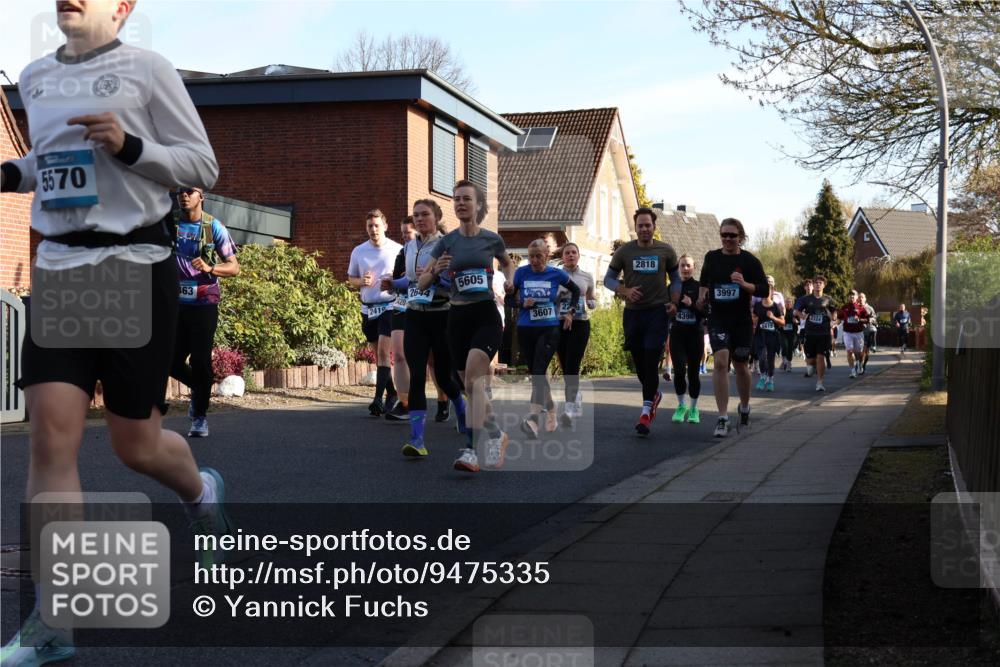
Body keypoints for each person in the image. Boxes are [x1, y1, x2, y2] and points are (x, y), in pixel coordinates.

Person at [0, 2, 233, 663]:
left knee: (136, 444)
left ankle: (200, 489)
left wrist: (129, 144)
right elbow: (47, 166)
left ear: (122, 7)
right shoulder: (35, 75)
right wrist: (4, 175)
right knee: (49, 435)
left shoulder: (149, 69)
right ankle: (54, 619)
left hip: (133, 263)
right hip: (65, 267)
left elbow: (200, 166)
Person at [421, 180, 514, 472]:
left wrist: (510, 279)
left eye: (466, 199)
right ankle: (498, 435)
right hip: (457, 318)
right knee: (469, 387)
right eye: (457, 199)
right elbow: (422, 281)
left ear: (478, 205)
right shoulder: (446, 242)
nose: (461, 203)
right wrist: (435, 271)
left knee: (473, 380)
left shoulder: (491, 239)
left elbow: (507, 263)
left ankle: (472, 451)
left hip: (485, 315)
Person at [386, 200, 468, 458]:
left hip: (442, 316)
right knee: (417, 375)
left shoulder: (448, 245)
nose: (420, 219)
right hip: (415, 316)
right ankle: (417, 440)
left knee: (444, 377)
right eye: (416, 215)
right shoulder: (409, 246)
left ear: (437, 217)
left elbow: (456, 283)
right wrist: (393, 283)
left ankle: (461, 407)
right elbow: (411, 281)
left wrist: (434, 276)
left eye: (425, 215)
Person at [604, 207, 680, 437]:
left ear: (654, 227)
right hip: (633, 314)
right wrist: (624, 290)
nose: (644, 229)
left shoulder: (665, 250)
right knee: (640, 365)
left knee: (649, 359)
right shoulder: (625, 252)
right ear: (635, 228)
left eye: (648, 225)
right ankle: (654, 395)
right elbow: (608, 279)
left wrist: (674, 302)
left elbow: (675, 279)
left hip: (657, 311)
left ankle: (646, 412)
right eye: (640, 226)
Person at [170, 186, 240, 438]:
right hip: (175, 304)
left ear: (202, 196)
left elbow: (234, 267)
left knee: (200, 360)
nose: (183, 195)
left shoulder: (213, 227)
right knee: (171, 362)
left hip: (204, 304)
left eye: (190, 191)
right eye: (179, 190)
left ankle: (199, 416)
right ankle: (202, 389)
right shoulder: (170, 224)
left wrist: (211, 268)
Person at [696, 218, 769, 437]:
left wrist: (745, 285)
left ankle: (744, 407)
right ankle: (722, 417)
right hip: (718, 318)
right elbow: (704, 281)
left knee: (740, 366)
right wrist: (701, 298)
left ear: (741, 237)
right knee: (719, 361)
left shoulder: (749, 261)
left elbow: (764, 290)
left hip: (741, 321)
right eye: (724, 235)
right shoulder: (712, 257)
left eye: (732, 236)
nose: (727, 239)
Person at [513, 239, 580, 438]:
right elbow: (510, 299)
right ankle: (551, 411)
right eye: (531, 256)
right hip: (525, 329)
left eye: (539, 256)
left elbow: (576, 291)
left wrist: (569, 312)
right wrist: (521, 303)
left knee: (539, 371)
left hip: (549, 328)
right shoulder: (521, 273)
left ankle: (533, 420)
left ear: (547, 256)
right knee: (537, 374)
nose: (534, 261)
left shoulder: (556, 273)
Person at [348, 209, 402, 416]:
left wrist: (394, 283)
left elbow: (407, 278)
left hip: (389, 306)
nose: (373, 230)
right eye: (370, 226)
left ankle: (377, 399)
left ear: (385, 227)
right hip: (368, 308)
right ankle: (392, 393)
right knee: (378, 355)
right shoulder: (359, 251)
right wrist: (362, 282)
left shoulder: (397, 250)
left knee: (382, 353)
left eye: (377, 225)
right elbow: (351, 278)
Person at [555, 243, 596, 426]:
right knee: (565, 364)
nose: (571, 255)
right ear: (562, 256)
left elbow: (591, 298)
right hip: (559, 323)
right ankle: (576, 394)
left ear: (578, 256)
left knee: (573, 362)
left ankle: (569, 406)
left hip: (580, 324)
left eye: (574, 252)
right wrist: (560, 294)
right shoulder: (555, 276)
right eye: (567, 253)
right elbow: (549, 298)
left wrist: (592, 302)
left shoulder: (587, 276)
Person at [383, 217, 416, 421]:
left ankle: (447, 399)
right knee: (399, 354)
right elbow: (397, 282)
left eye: (408, 233)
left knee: (434, 360)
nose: (404, 236)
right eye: (402, 232)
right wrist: (390, 284)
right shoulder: (402, 254)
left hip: (424, 307)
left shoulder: (430, 252)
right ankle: (405, 403)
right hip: (401, 306)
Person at [669, 254, 705, 424]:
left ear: (694, 267)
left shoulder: (699, 288)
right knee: (679, 371)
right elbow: (665, 312)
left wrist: (692, 304)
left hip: (694, 335)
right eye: (682, 265)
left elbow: (706, 314)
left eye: (688, 265)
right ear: (678, 268)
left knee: (693, 374)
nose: (685, 268)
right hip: (677, 335)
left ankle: (693, 408)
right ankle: (681, 405)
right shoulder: (672, 288)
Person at [795, 275, 837, 391]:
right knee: (811, 361)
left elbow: (834, 313)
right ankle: (810, 367)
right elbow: (796, 311)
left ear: (824, 285)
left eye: (820, 283)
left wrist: (833, 318)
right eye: (816, 283)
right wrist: (802, 315)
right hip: (810, 332)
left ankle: (820, 382)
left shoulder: (828, 299)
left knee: (820, 357)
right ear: (813, 285)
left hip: (823, 333)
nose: (818, 284)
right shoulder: (806, 299)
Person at [753, 285, 784, 392]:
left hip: (772, 336)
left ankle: (770, 379)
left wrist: (773, 317)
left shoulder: (775, 306)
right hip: (760, 335)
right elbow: (753, 318)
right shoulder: (757, 305)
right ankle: (762, 377)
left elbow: (782, 322)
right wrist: (754, 320)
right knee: (761, 357)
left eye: (768, 290)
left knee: (770, 359)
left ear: (772, 292)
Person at [839, 289, 869, 378]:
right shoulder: (844, 307)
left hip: (858, 333)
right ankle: (852, 371)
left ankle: (860, 363)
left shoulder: (861, 308)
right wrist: (833, 323)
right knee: (849, 351)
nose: (852, 297)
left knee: (859, 353)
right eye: (850, 295)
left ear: (856, 297)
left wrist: (859, 319)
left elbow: (867, 319)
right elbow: (839, 318)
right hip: (847, 332)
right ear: (848, 297)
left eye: (853, 295)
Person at [793, 279, 815, 371]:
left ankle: (816, 363)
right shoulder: (801, 299)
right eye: (807, 285)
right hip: (804, 327)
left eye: (810, 285)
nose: (809, 287)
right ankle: (808, 366)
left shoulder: (817, 298)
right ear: (804, 287)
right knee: (806, 346)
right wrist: (802, 316)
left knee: (815, 347)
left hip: (816, 326)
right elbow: (795, 311)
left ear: (813, 287)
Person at [779, 285, 798, 372]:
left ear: (792, 303)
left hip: (792, 332)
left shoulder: (794, 311)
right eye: (786, 302)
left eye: (790, 302)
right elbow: (778, 320)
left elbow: (800, 321)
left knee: (790, 347)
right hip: (783, 332)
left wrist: (796, 321)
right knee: (784, 346)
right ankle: (784, 361)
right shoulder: (782, 311)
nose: (788, 304)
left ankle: (789, 363)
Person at [859, 292, 877, 372]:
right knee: (860, 350)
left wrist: (869, 320)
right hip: (857, 332)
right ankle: (859, 364)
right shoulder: (855, 308)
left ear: (865, 299)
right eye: (859, 297)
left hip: (867, 331)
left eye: (862, 297)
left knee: (866, 350)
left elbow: (874, 318)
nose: (860, 299)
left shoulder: (869, 308)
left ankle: (863, 365)